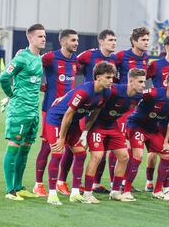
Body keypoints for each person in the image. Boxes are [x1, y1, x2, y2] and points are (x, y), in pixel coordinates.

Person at [44, 61, 116, 205]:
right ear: (98, 77)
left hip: (74, 123)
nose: (111, 81)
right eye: (108, 77)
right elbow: (68, 114)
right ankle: (52, 194)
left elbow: (95, 113)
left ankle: (75, 193)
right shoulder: (84, 92)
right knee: (57, 153)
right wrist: (61, 139)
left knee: (81, 153)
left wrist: (84, 134)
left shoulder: (106, 92)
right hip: (57, 120)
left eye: (112, 77)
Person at [83, 68, 146, 203]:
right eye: (140, 82)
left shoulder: (139, 96)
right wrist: (85, 131)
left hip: (112, 126)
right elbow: (91, 95)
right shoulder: (114, 90)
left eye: (144, 81)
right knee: (97, 156)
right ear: (131, 81)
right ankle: (87, 193)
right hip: (97, 126)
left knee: (124, 156)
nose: (144, 85)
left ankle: (115, 192)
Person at [0, 23, 46, 201]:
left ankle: (19, 186)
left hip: (33, 111)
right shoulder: (21, 58)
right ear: (30, 38)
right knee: (14, 147)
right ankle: (10, 190)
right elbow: (4, 77)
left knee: (25, 150)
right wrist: (11, 95)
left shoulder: (39, 59)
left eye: (44, 36)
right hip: (19, 111)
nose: (43, 39)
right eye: (40, 36)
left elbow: (31, 81)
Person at [124, 71, 169, 201]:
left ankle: (157, 191)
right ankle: (126, 190)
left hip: (152, 129)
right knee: (138, 155)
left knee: (167, 153)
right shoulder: (153, 93)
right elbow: (132, 96)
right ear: (168, 84)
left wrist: (166, 140)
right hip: (136, 125)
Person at [32, 29, 79, 197]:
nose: (76, 43)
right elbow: (33, 66)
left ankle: (61, 182)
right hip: (50, 111)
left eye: (77, 40)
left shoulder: (75, 59)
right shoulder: (50, 57)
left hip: (69, 111)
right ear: (63, 42)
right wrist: (41, 86)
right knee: (48, 147)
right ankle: (38, 184)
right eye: (73, 40)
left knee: (71, 148)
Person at [75, 29, 117, 193]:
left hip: (103, 106)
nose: (113, 42)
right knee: (78, 147)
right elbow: (73, 66)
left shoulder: (115, 59)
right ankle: (64, 182)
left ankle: (95, 183)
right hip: (86, 105)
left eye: (114, 40)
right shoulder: (89, 55)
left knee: (102, 149)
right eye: (110, 40)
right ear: (101, 41)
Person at [145, 34, 169, 192]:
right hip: (155, 112)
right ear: (166, 47)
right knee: (154, 151)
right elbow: (142, 79)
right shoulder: (155, 65)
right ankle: (149, 181)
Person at [115, 26, 150, 192]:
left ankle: (123, 183)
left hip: (137, 107)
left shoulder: (146, 58)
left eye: (147, 40)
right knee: (119, 145)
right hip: (121, 105)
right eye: (143, 40)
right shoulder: (122, 56)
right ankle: (114, 182)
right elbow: (110, 73)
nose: (146, 43)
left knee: (133, 147)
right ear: (134, 41)